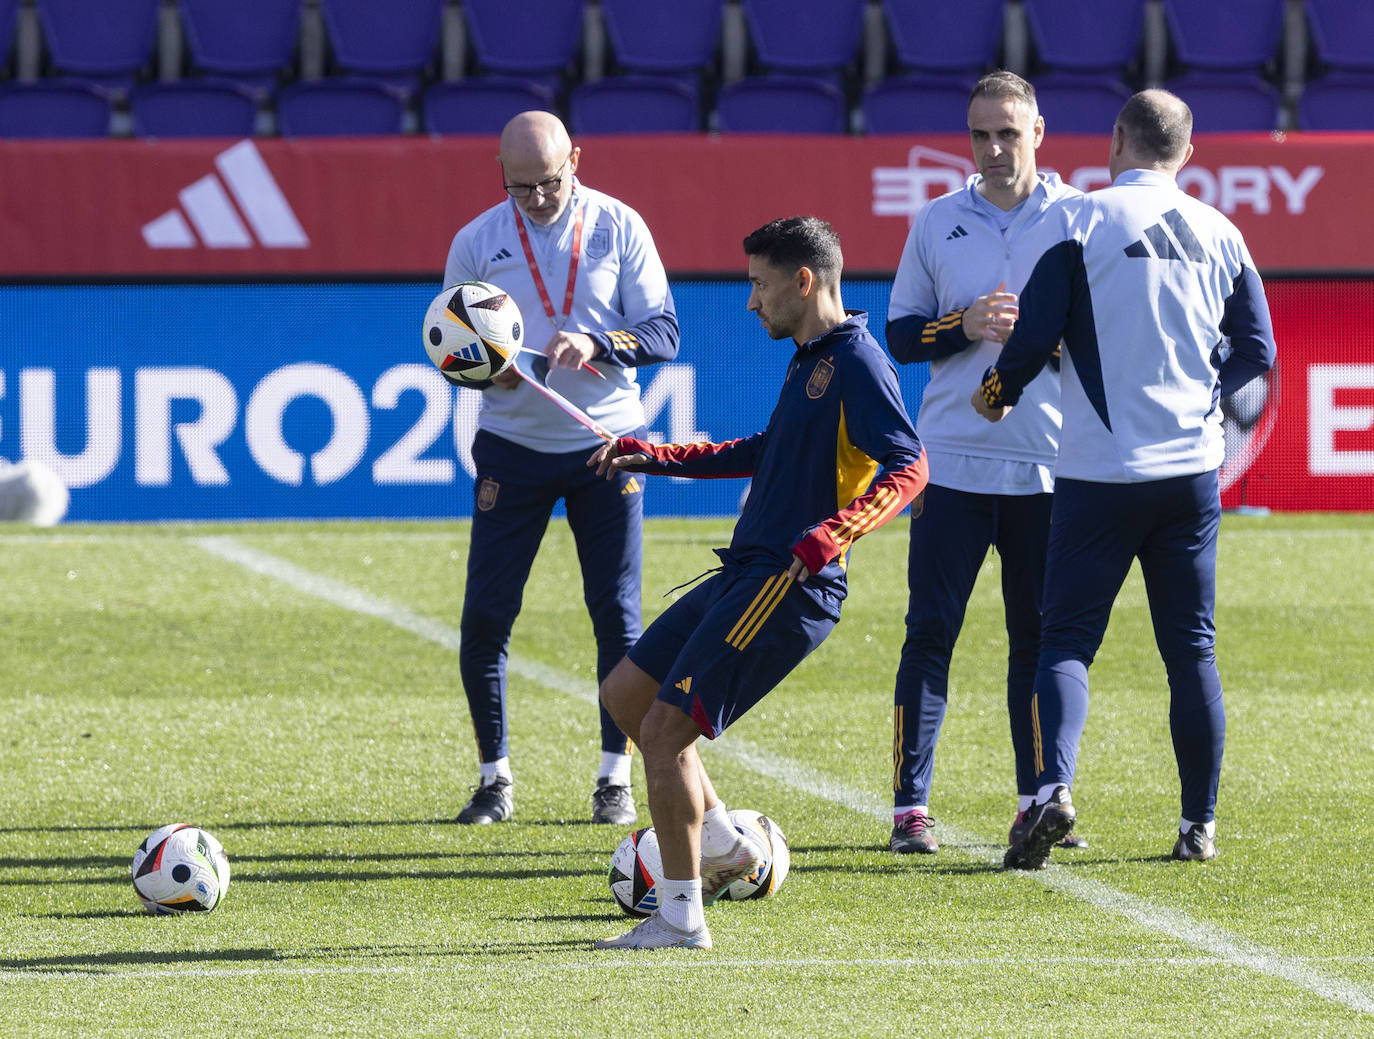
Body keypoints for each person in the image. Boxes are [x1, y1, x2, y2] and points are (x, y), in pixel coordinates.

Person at [587, 217, 929, 950]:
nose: (750, 302)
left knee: (664, 729)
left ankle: (681, 917)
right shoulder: (812, 358)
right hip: (747, 570)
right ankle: (726, 845)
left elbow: (910, 466)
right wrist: (655, 455)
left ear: (803, 282)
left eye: (759, 284)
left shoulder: (860, 361)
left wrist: (833, 534)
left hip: (788, 583)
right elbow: (769, 450)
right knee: (626, 694)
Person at [973, 89, 1276, 869]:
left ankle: (1054, 791)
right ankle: (1197, 824)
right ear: (1188, 151)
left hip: (1098, 473)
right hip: (1189, 474)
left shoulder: (1080, 218)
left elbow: (1033, 336)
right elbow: (1257, 355)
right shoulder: (1222, 230)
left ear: (1115, 140)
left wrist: (997, 396)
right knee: (1192, 651)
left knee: (1067, 640)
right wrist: (1206, 391)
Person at [442, 111, 680, 826]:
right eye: (523, 188)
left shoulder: (618, 226)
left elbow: (664, 331)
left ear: (576, 157)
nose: (539, 198)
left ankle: (615, 779)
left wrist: (601, 342)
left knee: (618, 615)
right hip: (511, 448)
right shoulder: (477, 240)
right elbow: (449, 347)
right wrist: (488, 376)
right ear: (500, 174)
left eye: (550, 182)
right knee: (486, 615)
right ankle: (494, 780)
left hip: (606, 443)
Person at [884, 71, 1087, 855]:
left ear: (1039, 130)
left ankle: (1037, 800)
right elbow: (901, 337)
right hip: (954, 464)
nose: (996, 149)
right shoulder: (938, 221)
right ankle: (910, 808)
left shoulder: (1080, 216)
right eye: (981, 135)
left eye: (1009, 132)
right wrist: (961, 325)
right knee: (929, 632)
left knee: (1035, 639)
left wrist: (1052, 340)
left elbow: (1107, 332)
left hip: (1049, 465)